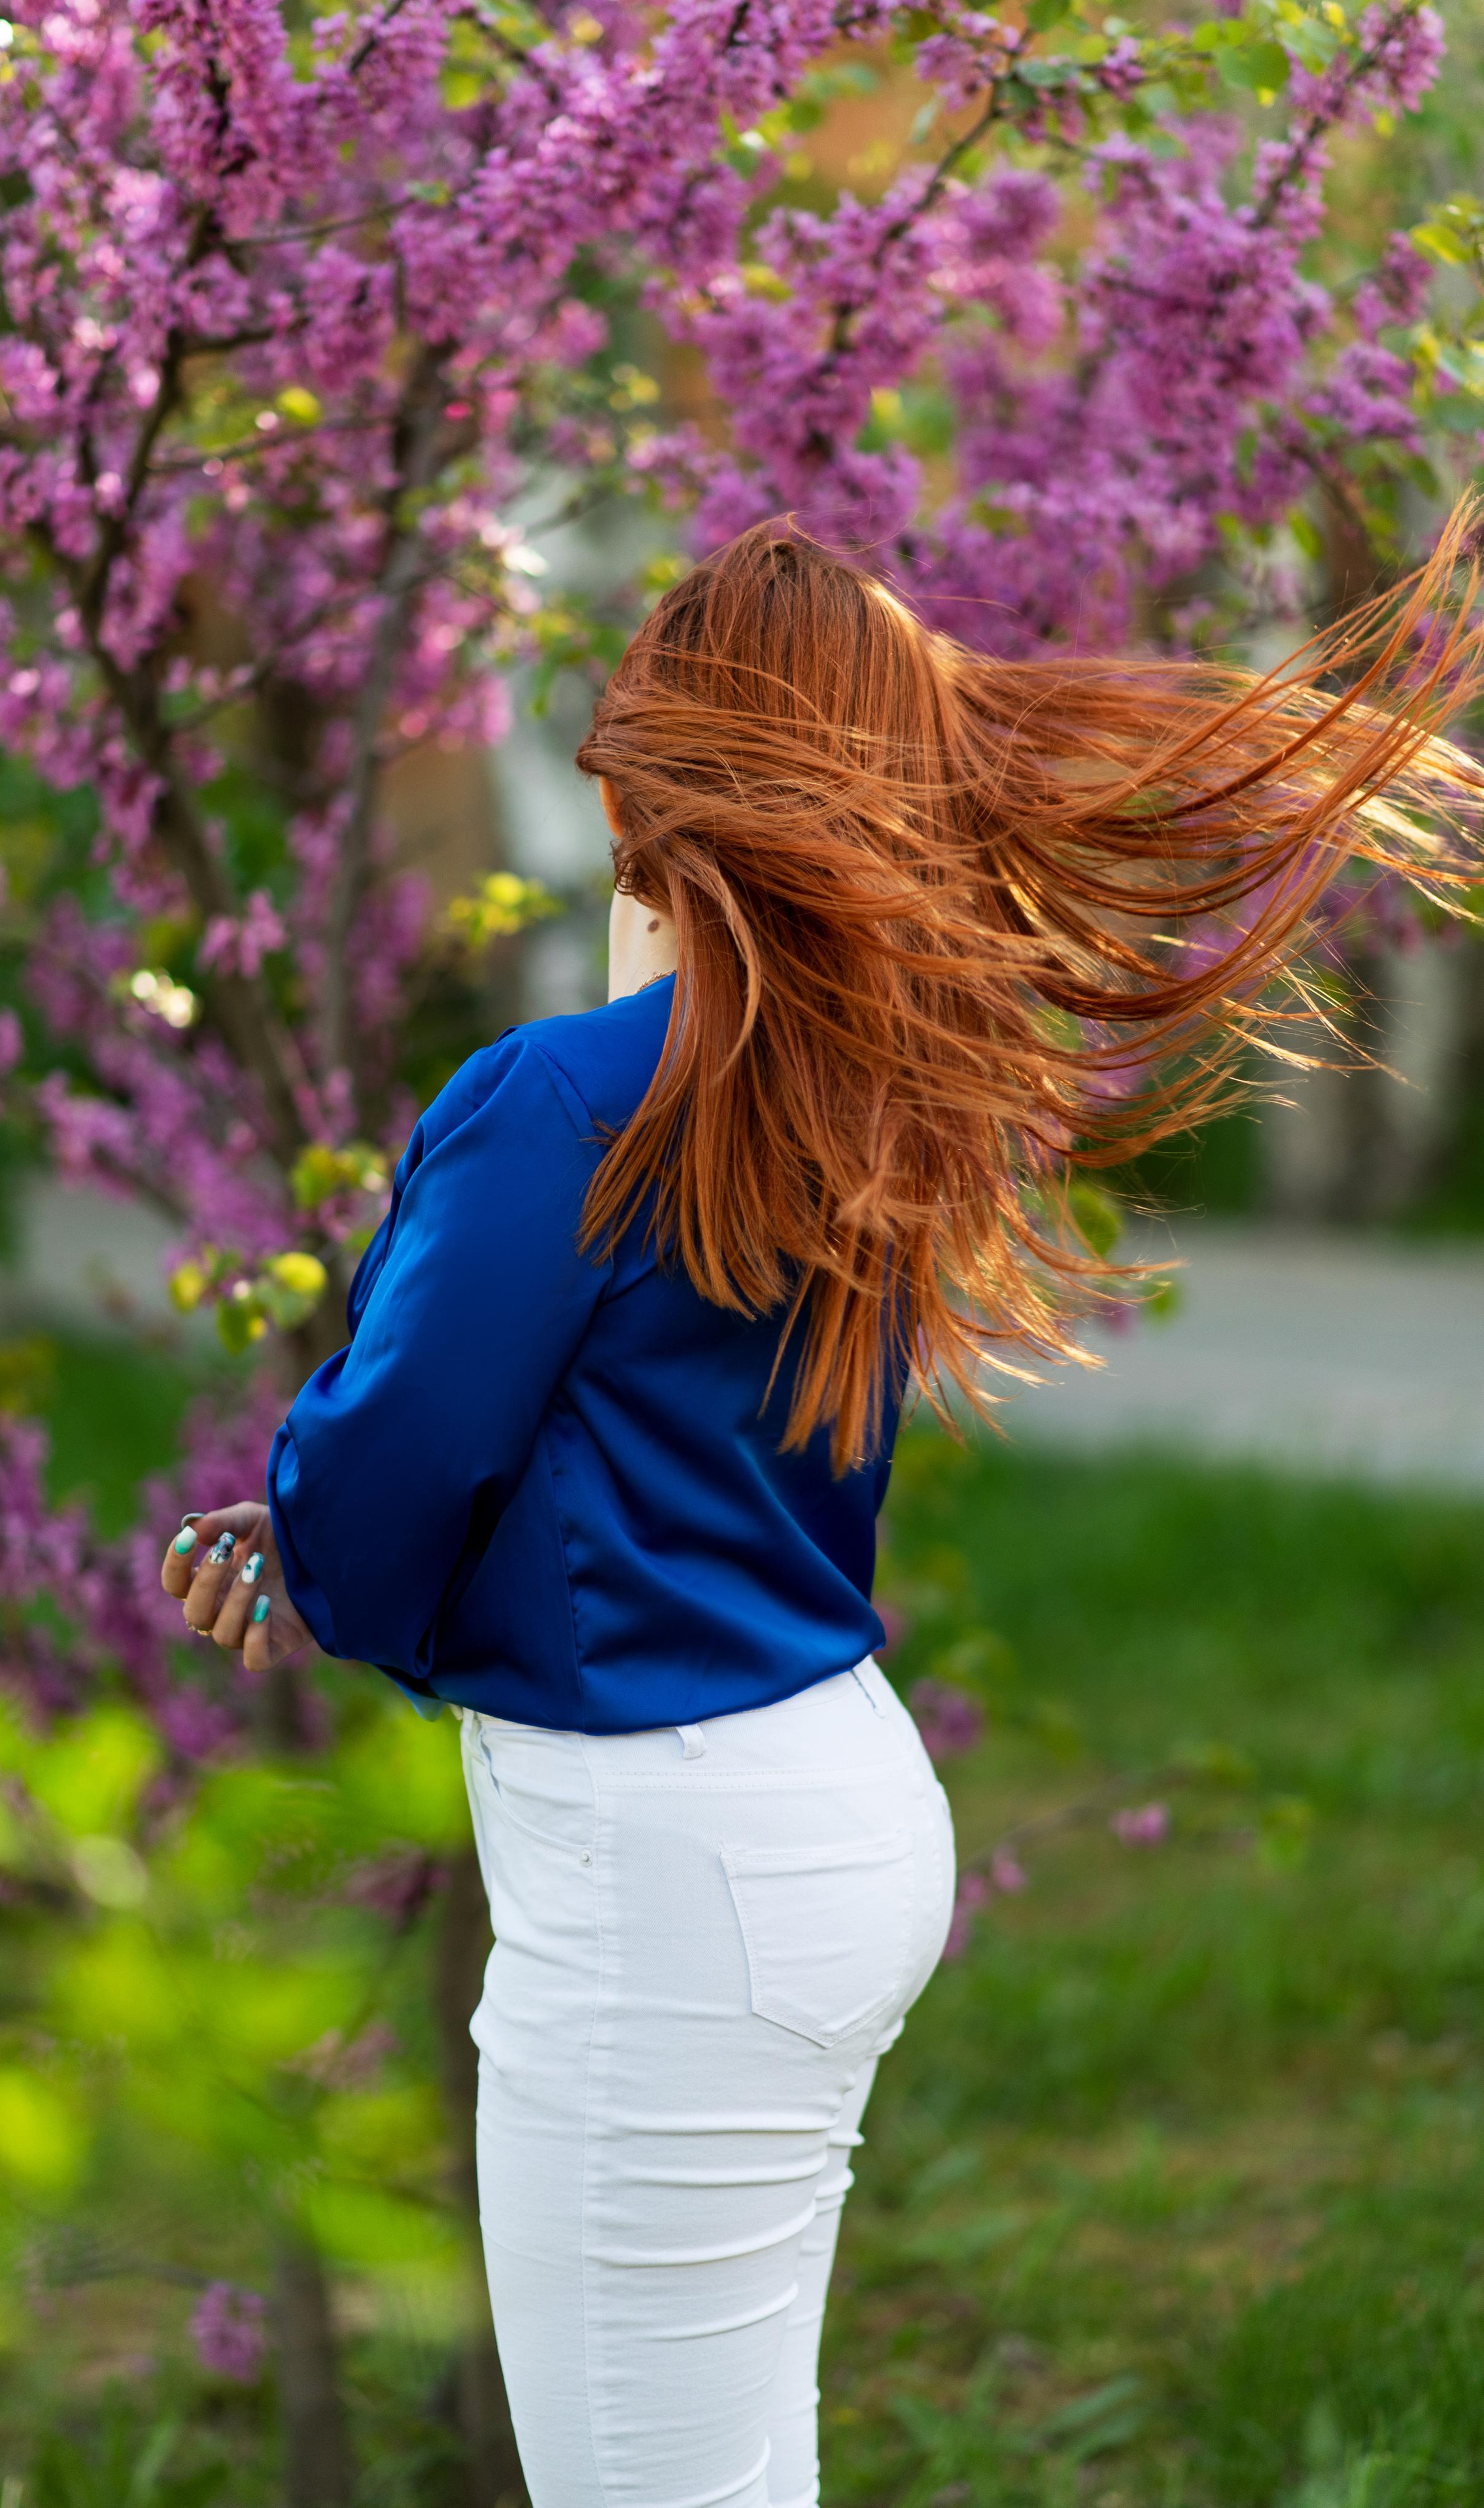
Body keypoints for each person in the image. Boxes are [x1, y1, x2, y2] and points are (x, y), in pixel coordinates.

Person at [161, 512, 1484, 2507]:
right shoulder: (865, 1094)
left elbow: (402, 1464)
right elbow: (617, 1438)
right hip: (817, 1805)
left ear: (654, 791)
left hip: (664, 1875)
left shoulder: (558, 1095)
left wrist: (314, 1545)